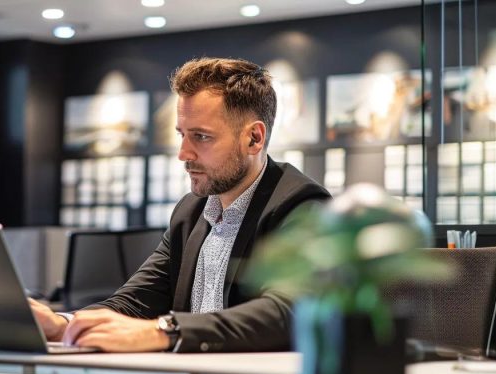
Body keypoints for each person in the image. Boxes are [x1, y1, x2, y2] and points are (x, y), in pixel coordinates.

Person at [30, 57, 331, 353]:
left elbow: (288, 311)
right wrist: (62, 324)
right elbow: (136, 300)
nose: (183, 154)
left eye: (201, 137)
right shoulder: (191, 211)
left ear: (253, 138)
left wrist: (167, 331)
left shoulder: (303, 207)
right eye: (182, 135)